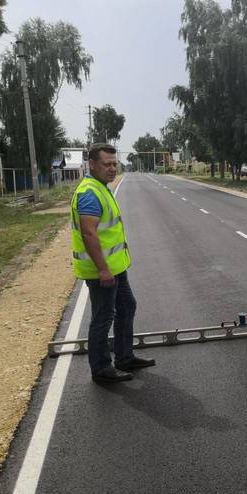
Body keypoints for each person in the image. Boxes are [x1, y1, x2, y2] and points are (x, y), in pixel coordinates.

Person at [70, 143, 155, 384]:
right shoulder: (89, 193)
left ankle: (125, 357)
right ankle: (100, 369)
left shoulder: (101, 187)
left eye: (114, 164)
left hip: (116, 268)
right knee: (103, 318)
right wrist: (103, 269)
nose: (112, 168)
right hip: (102, 272)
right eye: (106, 164)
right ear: (92, 164)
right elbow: (89, 234)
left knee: (127, 306)